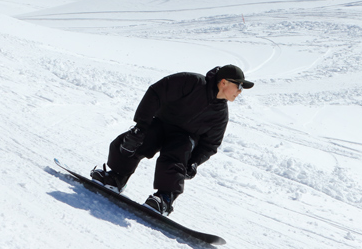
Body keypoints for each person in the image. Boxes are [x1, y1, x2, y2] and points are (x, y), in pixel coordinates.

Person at [91, 65, 254, 216]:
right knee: (134, 141)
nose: (240, 91)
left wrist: (195, 162)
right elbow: (156, 92)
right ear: (224, 82)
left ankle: (164, 199)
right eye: (239, 86)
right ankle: (116, 177)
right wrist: (140, 126)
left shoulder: (220, 115)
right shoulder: (192, 82)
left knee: (177, 156)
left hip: (183, 138)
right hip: (161, 123)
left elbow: (210, 145)